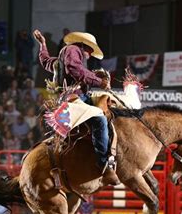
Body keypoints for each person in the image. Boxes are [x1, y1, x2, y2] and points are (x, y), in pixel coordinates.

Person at [33, 29, 119, 185]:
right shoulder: (73, 50)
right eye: (91, 51)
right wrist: (99, 82)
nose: (90, 54)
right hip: (73, 99)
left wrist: (43, 45)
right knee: (99, 118)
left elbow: (45, 61)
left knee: (109, 104)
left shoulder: (64, 56)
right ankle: (104, 164)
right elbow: (75, 69)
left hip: (76, 97)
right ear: (85, 46)